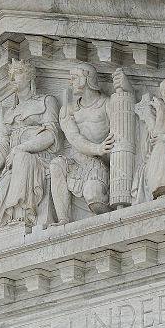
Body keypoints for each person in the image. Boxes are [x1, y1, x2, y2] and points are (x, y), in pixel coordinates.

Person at [0, 59, 60, 230]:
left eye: (17, 74)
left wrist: (21, 148)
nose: (12, 79)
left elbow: (51, 135)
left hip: (38, 160)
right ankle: (10, 214)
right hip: (12, 167)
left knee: (22, 158)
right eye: (10, 75)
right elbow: (4, 145)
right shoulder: (9, 113)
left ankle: (22, 215)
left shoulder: (46, 101)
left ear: (29, 77)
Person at [50, 63, 117, 224]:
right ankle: (64, 219)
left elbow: (119, 134)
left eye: (74, 78)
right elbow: (74, 138)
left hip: (98, 164)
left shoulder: (107, 104)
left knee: (94, 196)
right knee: (56, 164)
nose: (71, 83)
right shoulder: (68, 110)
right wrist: (97, 148)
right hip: (76, 162)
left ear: (87, 79)